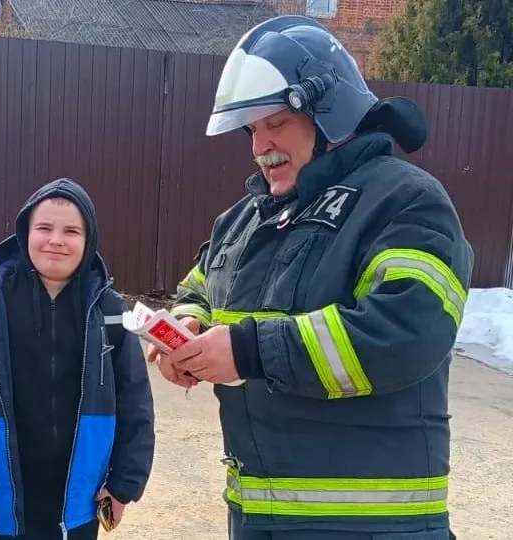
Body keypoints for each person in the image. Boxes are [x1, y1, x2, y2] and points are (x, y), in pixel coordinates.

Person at [150, 15, 473, 540]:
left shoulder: (405, 200)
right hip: (258, 519)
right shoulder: (245, 219)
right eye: (252, 129)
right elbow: (202, 286)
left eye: (275, 123)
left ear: (330, 115)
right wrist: (187, 326)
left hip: (372, 527)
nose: (259, 146)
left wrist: (247, 350)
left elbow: (408, 332)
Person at [0, 178, 156, 540]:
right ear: (25, 232)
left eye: (71, 230)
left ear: (89, 242)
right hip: (2, 491)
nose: (56, 239)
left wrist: (123, 484)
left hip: (80, 498)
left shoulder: (111, 314)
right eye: (44, 228)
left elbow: (135, 402)